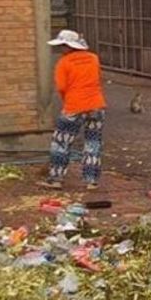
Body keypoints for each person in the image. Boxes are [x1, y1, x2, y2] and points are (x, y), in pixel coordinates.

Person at [40, 29, 106, 190]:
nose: (61, 49)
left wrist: (67, 102)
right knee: (93, 142)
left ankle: (56, 179)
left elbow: (62, 87)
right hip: (96, 105)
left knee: (61, 142)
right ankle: (91, 181)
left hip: (74, 106)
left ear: (68, 46)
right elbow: (98, 79)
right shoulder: (93, 58)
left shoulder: (64, 63)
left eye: (62, 45)